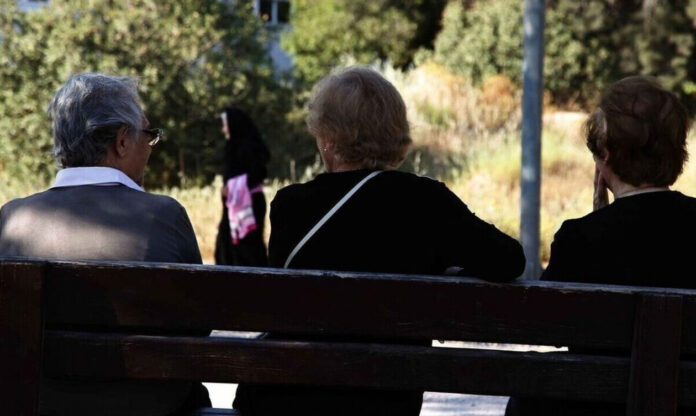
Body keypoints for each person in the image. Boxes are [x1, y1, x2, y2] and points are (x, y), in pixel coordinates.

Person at [232, 66, 526, 416]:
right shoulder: (427, 202)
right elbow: (510, 260)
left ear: (326, 136)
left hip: (293, 400)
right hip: (386, 403)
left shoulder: (290, 205)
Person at [0, 73, 209, 416]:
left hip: (37, 404)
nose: (150, 147)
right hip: (148, 406)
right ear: (122, 141)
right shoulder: (165, 216)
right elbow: (198, 324)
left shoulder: (12, 218)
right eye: (148, 135)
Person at [505, 76, 696, 415]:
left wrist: (598, 220)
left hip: (595, 406)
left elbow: (542, 325)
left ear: (605, 156)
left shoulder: (580, 238)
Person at [214, 107, 270, 267]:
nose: (224, 129)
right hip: (232, 206)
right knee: (226, 245)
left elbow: (258, 174)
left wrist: (232, 187)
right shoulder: (231, 148)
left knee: (248, 249)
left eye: (225, 125)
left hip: (249, 205)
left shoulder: (251, 148)